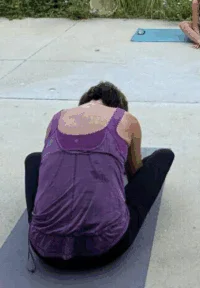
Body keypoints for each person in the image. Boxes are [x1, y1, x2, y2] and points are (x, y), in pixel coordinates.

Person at [24, 81, 174, 274]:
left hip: (44, 248)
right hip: (106, 248)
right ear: (118, 105)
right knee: (163, 156)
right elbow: (135, 173)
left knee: (34, 159)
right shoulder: (125, 119)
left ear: (85, 102)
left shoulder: (57, 118)